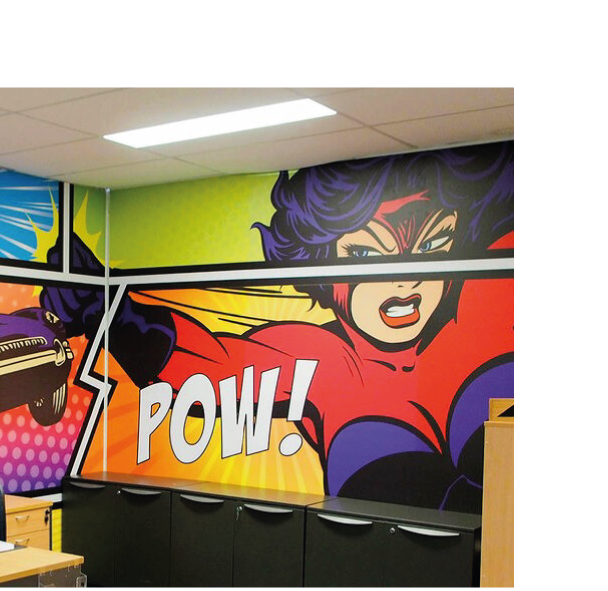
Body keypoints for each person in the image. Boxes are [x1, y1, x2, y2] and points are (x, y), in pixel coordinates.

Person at [43, 143, 513, 511]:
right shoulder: (324, 359)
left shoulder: (484, 302)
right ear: (321, 266)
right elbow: (208, 362)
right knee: (384, 460)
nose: (404, 280)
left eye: (433, 244)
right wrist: (107, 311)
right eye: (366, 253)